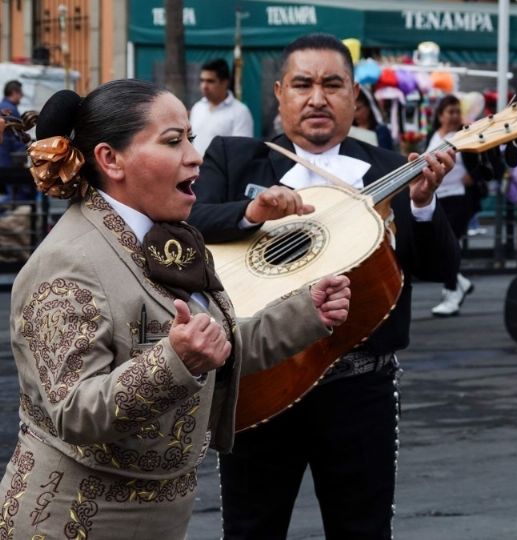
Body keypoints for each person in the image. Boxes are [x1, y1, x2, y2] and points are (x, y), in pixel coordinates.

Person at [0, 80, 351, 539]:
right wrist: (173, 363)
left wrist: (305, 313)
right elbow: (74, 411)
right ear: (111, 159)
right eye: (173, 141)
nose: (195, 156)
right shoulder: (68, 261)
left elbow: (213, 347)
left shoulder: (173, 238)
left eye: (191, 138)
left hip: (162, 515)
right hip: (72, 517)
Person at [187, 33, 459, 539]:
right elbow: (187, 224)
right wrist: (250, 211)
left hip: (360, 385)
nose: (317, 98)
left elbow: (442, 265)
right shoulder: (233, 156)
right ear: (280, 94)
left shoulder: (390, 170)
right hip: (260, 374)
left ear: (354, 95)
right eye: (303, 84)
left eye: (333, 85)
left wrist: (422, 204)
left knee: (363, 529)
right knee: (250, 528)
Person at [426, 94, 475, 317]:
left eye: (457, 112)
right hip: (438, 196)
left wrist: (474, 177)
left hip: (459, 197)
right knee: (436, 246)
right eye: (450, 112)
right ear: (441, 115)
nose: (455, 116)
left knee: (449, 246)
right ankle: (460, 281)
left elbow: (480, 161)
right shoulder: (434, 135)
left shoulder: (465, 135)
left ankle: (452, 293)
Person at [189, 58, 254, 156]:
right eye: (202, 80)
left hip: (222, 171)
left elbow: (241, 151)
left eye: (210, 81)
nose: (204, 86)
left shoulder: (240, 112)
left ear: (224, 82)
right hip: (194, 170)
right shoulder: (197, 108)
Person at [353, 85, 394, 150]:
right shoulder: (349, 131)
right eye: (352, 110)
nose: (355, 114)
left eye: (358, 109)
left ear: (369, 107)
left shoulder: (381, 131)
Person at [0, 80, 27, 167]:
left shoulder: (1, 106)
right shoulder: (10, 110)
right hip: (7, 157)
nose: (22, 96)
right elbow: (18, 136)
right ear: (14, 92)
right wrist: (22, 154)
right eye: (20, 93)